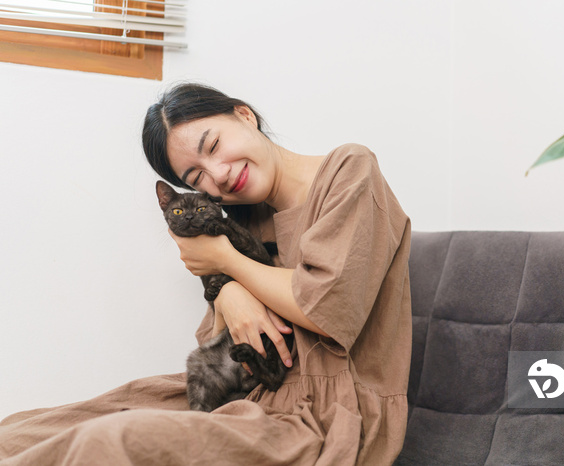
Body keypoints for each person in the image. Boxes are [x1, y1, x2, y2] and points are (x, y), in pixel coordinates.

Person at [0, 83, 412, 465]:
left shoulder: (349, 169)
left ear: (244, 115)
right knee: (21, 433)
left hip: (322, 412)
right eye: (196, 177)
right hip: (239, 391)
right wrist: (229, 294)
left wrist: (226, 263)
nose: (218, 175)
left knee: (111, 440)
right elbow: (216, 338)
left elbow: (325, 305)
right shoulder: (240, 217)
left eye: (214, 145)